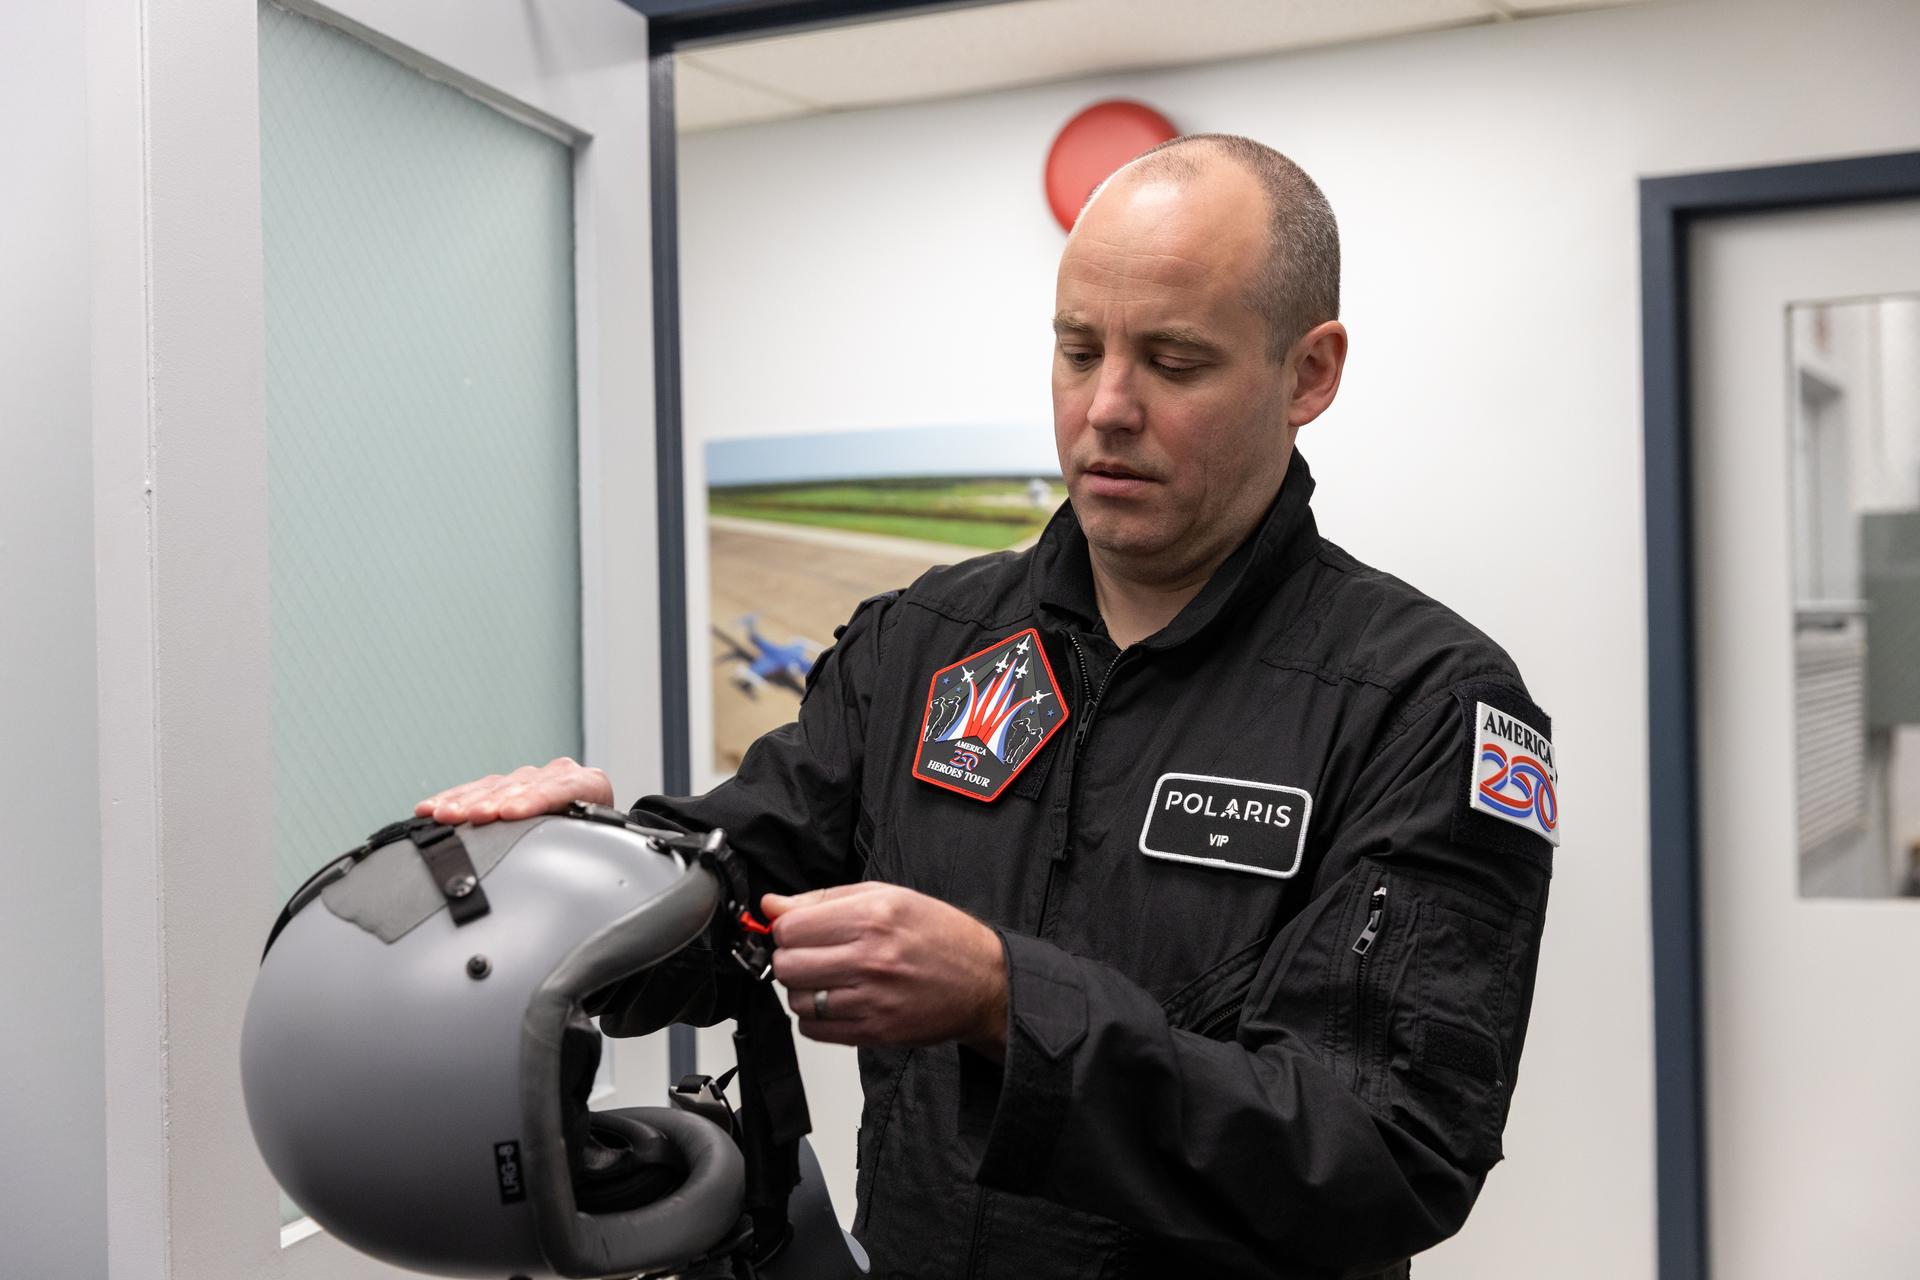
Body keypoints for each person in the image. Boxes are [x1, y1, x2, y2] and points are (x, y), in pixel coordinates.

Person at [420, 134, 1557, 1280]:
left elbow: (1385, 1150)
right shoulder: (924, 640)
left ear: (1309, 372)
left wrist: (1010, 1003)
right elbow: (736, 886)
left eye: (1175, 361)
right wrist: (578, 875)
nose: (1107, 407)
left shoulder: (1426, 705)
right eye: (1079, 349)